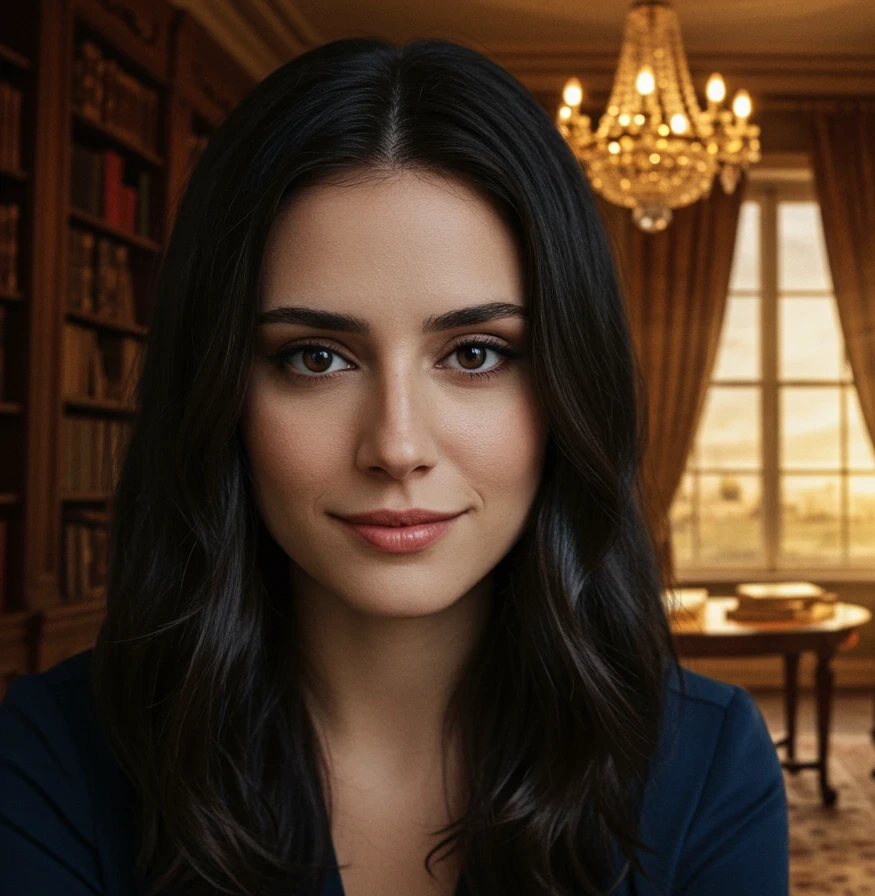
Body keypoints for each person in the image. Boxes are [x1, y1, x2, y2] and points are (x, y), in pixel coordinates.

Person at [0, 36, 788, 896]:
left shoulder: (708, 761)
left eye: (478, 354)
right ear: (218, 391)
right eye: (315, 358)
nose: (398, 447)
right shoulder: (53, 758)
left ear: (571, 384)